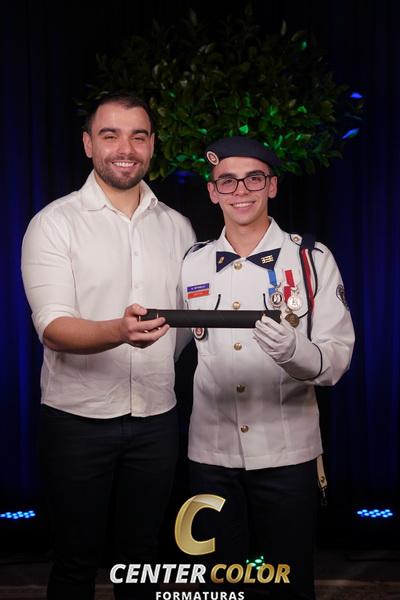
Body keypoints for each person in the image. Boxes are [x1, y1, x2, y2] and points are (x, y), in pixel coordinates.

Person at [21, 91, 196, 600]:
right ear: (88, 144)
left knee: (141, 561)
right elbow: (53, 327)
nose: (126, 148)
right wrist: (120, 331)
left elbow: (184, 330)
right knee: (75, 563)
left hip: (157, 419)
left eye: (138, 136)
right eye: (110, 135)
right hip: (77, 422)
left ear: (152, 145)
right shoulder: (54, 223)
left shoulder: (178, 227)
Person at [181, 136, 355, 599]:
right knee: (218, 583)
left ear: (272, 186)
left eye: (253, 178)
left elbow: (337, 357)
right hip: (211, 454)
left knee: (288, 582)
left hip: (287, 455)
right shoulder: (192, 263)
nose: (241, 191)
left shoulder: (312, 259)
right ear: (212, 191)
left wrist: (295, 351)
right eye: (227, 181)